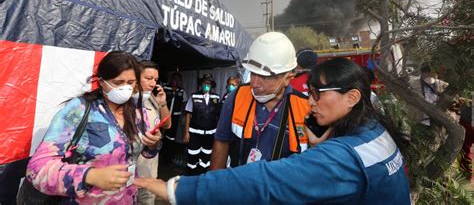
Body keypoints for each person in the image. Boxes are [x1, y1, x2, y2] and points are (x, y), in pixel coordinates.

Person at [134, 58, 411, 204]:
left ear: (352, 98)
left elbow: (268, 181)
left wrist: (179, 188)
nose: (311, 101)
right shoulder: (375, 130)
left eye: (317, 94)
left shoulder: (343, 156)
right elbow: (222, 141)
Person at [23, 51, 162, 204]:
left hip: (127, 198)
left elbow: (145, 153)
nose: (126, 88)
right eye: (118, 82)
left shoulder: (137, 111)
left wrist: (153, 143)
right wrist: (89, 176)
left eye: (130, 82)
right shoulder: (80, 109)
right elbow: (36, 169)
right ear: (102, 82)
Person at [210, 32, 309, 170]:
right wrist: (215, 184)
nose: (254, 84)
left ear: (288, 77)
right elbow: (221, 142)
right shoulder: (237, 96)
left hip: (280, 190)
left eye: (265, 77)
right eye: (253, 73)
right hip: (240, 186)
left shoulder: (305, 108)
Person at [135, 60, 171, 205]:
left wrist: (162, 103)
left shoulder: (152, 99)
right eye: (148, 78)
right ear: (136, 77)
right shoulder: (124, 102)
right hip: (130, 171)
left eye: (155, 80)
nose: (152, 84)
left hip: (149, 169)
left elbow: (167, 125)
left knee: (147, 200)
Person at [183, 74, 221, 175]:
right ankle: (190, 176)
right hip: (195, 133)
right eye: (205, 83)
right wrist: (186, 132)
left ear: (211, 85)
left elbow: (218, 115)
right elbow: (188, 115)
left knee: (206, 156)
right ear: (201, 84)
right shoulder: (194, 96)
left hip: (210, 134)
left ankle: (202, 176)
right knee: (192, 155)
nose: (206, 85)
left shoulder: (216, 97)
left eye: (208, 83)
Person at [161, 73, 187, 167]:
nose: (176, 81)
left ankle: (168, 158)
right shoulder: (165, 88)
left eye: (178, 79)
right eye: (174, 79)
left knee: (171, 138)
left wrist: (183, 117)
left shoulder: (182, 90)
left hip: (175, 117)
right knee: (160, 135)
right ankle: (159, 154)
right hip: (163, 117)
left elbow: (184, 104)